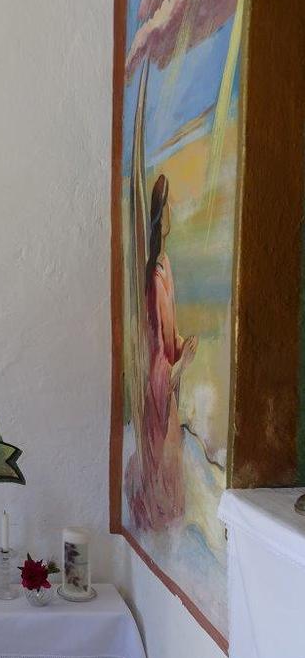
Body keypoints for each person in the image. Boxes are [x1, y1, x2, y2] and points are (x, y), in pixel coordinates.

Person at [128, 174, 198, 530]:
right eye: (166, 206)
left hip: (164, 383)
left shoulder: (164, 265)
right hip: (160, 388)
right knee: (164, 461)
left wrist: (182, 344)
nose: (171, 211)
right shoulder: (154, 280)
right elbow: (157, 352)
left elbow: (169, 333)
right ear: (159, 215)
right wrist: (182, 363)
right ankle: (158, 521)